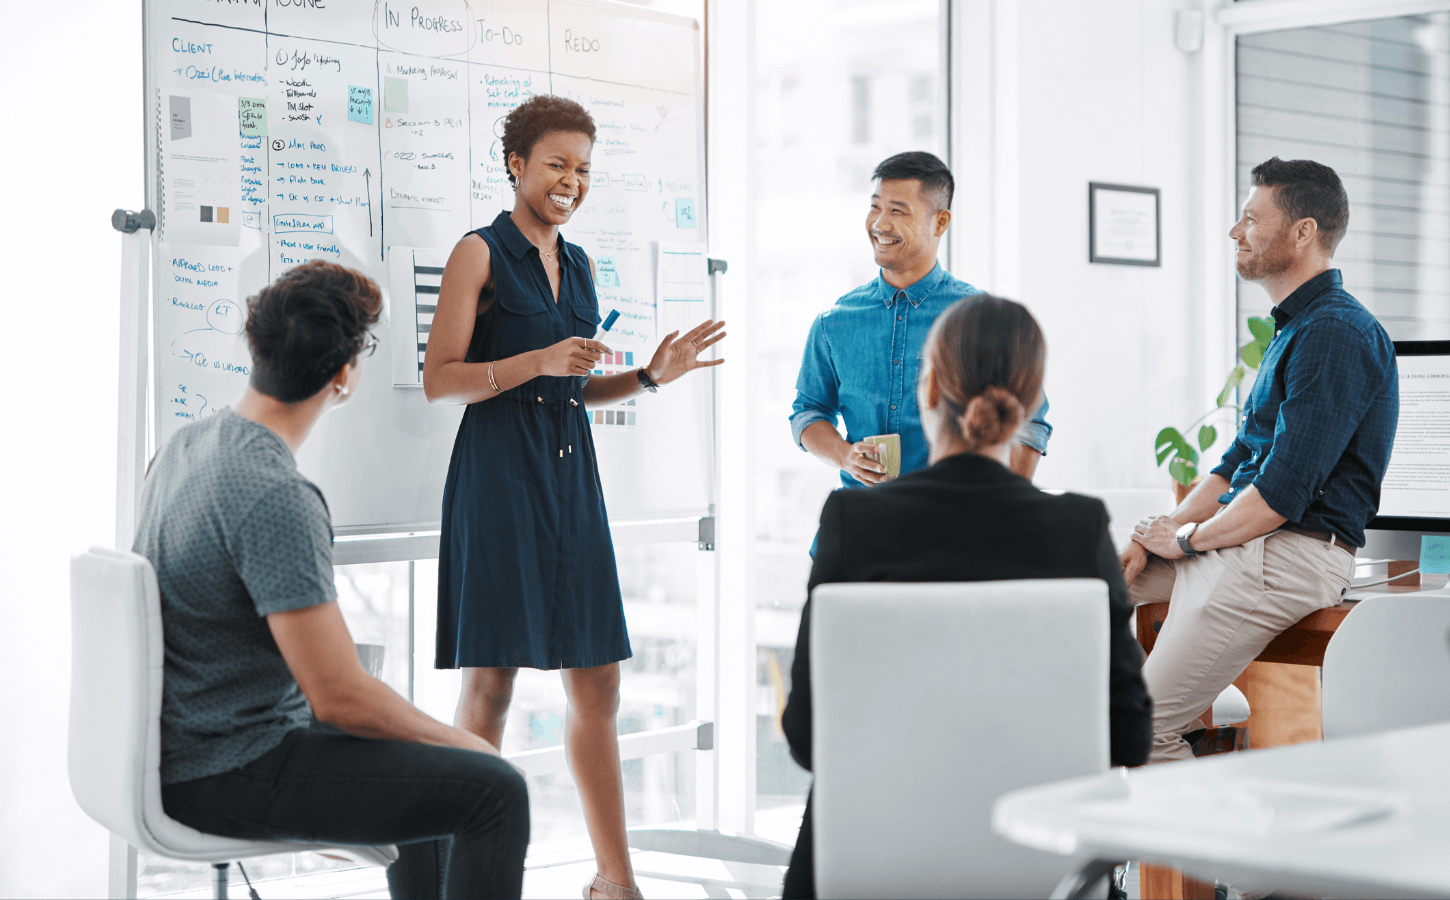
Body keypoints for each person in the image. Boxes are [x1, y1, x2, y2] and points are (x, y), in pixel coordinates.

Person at [138, 261, 529, 899]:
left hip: (188, 745)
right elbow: (339, 698)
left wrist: (442, 745)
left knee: (432, 773)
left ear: (257, 344)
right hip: (229, 768)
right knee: (495, 789)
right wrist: (471, 745)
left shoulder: (185, 446)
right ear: (344, 375)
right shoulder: (275, 495)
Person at [422, 94, 725, 900]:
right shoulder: (477, 253)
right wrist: (537, 362)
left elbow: (576, 389)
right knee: (491, 685)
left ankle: (615, 883)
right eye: (557, 163)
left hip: (570, 477)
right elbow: (439, 380)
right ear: (517, 165)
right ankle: (464, 882)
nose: (571, 181)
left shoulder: (581, 264)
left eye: (584, 169)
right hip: (498, 480)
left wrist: (653, 375)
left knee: (599, 681)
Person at [779, 294, 1152, 899]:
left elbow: (805, 735)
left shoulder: (855, 522)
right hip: (1045, 872)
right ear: (1029, 408)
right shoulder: (1078, 530)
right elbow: (1129, 736)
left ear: (929, 392)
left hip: (868, 867)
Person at [1121, 157, 1399, 763]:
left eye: (1250, 218)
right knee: (1101, 581)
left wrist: (1190, 540)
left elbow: (1279, 495)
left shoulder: (1336, 333)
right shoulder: (1295, 330)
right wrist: (1156, 538)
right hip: (1245, 541)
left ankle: (1211, 856)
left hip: (1288, 550)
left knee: (1141, 733)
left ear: (1302, 233)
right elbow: (1233, 462)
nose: (1234, 232)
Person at [791, 151, 1051, 494]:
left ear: (940, 222)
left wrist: (1000, 506)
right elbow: (808, 413)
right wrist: (845, 456)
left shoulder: (977, 318)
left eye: (897, 210)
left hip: (954, 529)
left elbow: (1030, 422)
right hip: (864, 529)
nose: (880, 224)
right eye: (875, 206)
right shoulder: (834, 322)